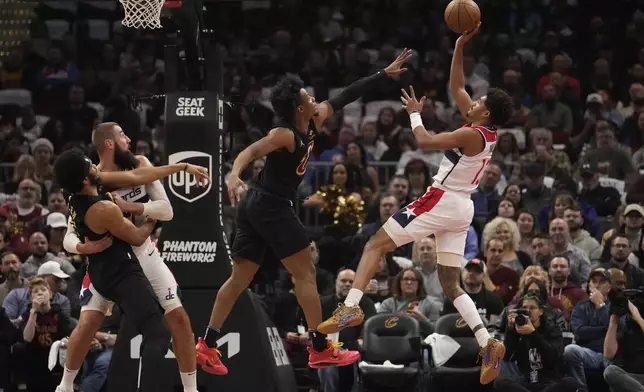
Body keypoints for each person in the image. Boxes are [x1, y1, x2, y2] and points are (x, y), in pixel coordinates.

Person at [317, 24, 513, 385]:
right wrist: (458, 46)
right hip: (462, 208)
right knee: (450, 284)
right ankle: (488, 342)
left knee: (375, 244)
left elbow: (422, 141)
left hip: (442, 199)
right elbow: (457, 86)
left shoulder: (470, 133)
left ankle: (350, 309)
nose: (475, 100)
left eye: (481, 102)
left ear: (485, 114)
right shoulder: (485, 129)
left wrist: (413, 112)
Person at [196, 49, 413, 373]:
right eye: (306, 95)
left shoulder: (315, 117)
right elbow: (251, 150)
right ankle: (321, 348)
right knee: (305, 273)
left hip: (256, 205)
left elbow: (347, 95)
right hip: (271, 204)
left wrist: (384, 74)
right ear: (299, 107)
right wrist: (233, 173)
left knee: (240, 277)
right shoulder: (284, 133)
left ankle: (207, 344)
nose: (313, 96)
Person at [56, 122, 207, 392]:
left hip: (144, 253)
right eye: (122, 135)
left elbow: (167, 210)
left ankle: (191, 389)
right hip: (112, 260)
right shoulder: (91, 181)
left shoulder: (138, 163)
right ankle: (65, 385)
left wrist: (129, 206)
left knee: (180, 320)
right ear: (109, 144)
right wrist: (81, 248)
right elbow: (69, 235)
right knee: (88, 324)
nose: (129, 138)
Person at [53, 149, 172, 392]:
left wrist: (179, 168)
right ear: (85, 179)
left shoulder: (73, 196)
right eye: (92, 167)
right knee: (158, 334)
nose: (97, 168)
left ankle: (64, 387)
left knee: (87, 325)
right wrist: (151, 216)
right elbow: (138, 237)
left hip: (99, 272)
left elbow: (138, 176)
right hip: (121, 273)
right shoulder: (103, 209)